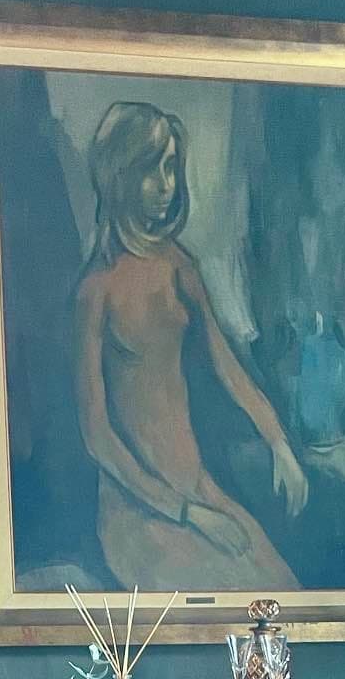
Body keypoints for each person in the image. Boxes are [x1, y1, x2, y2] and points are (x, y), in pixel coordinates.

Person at [74, 100, 307, 590]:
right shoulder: (95, 291)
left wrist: (279, 443)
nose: (166, 186)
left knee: (286, 594)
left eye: (171, 168)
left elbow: (228, 368)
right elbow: (97, 438)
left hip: (198, 490)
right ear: (119, 177)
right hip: (137, 513)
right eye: (151, 171)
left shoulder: (181, 267)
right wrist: (191, 516)